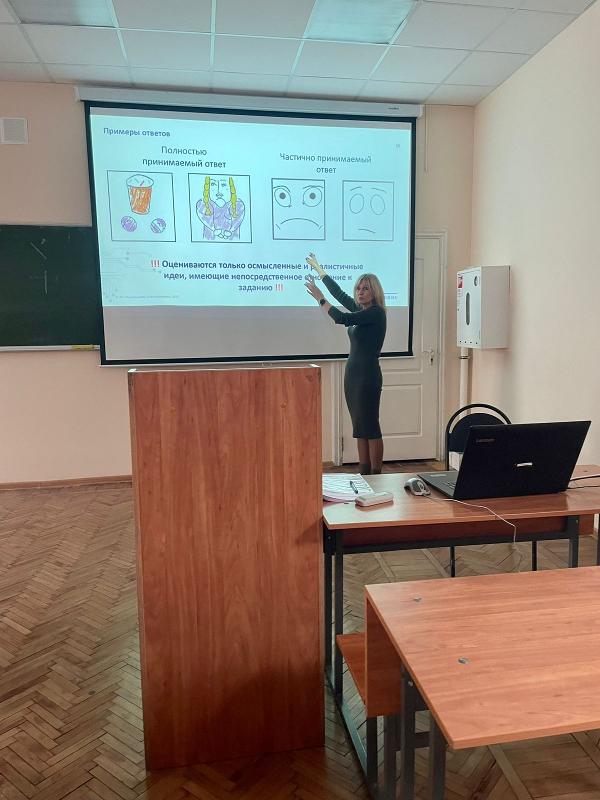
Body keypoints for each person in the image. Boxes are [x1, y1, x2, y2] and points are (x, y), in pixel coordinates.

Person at [305, 253, 387, 475]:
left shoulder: (376, 314)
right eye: (358, 288)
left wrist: (321, 299)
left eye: (366, 288)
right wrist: (320, 270)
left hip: (368, 376)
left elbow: (342, 318)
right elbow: (340, 294)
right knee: (360, 427)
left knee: (370, 426)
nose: (360, 292)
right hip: (352, 375)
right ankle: (364, 473)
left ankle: (376, 475)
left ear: (375, 292)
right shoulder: (361, 310)